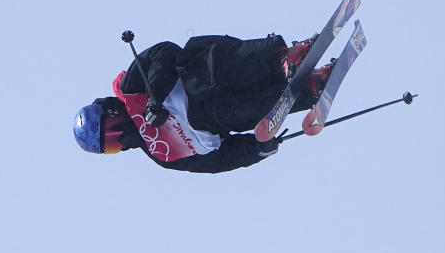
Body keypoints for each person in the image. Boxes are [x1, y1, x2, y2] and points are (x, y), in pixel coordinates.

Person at [73, 32, 332, 173]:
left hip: (201, 76)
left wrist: (155, 98)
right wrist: (255, 151)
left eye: (112, 136)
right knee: (244, 111)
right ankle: (309, 87)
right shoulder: (162, 155)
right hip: (219, 117)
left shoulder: (129, 89)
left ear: (111, 113)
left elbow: (164, 52)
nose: (119, 142)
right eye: (111, 148)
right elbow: (216, 161)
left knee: (218, 75)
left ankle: (284, 59)